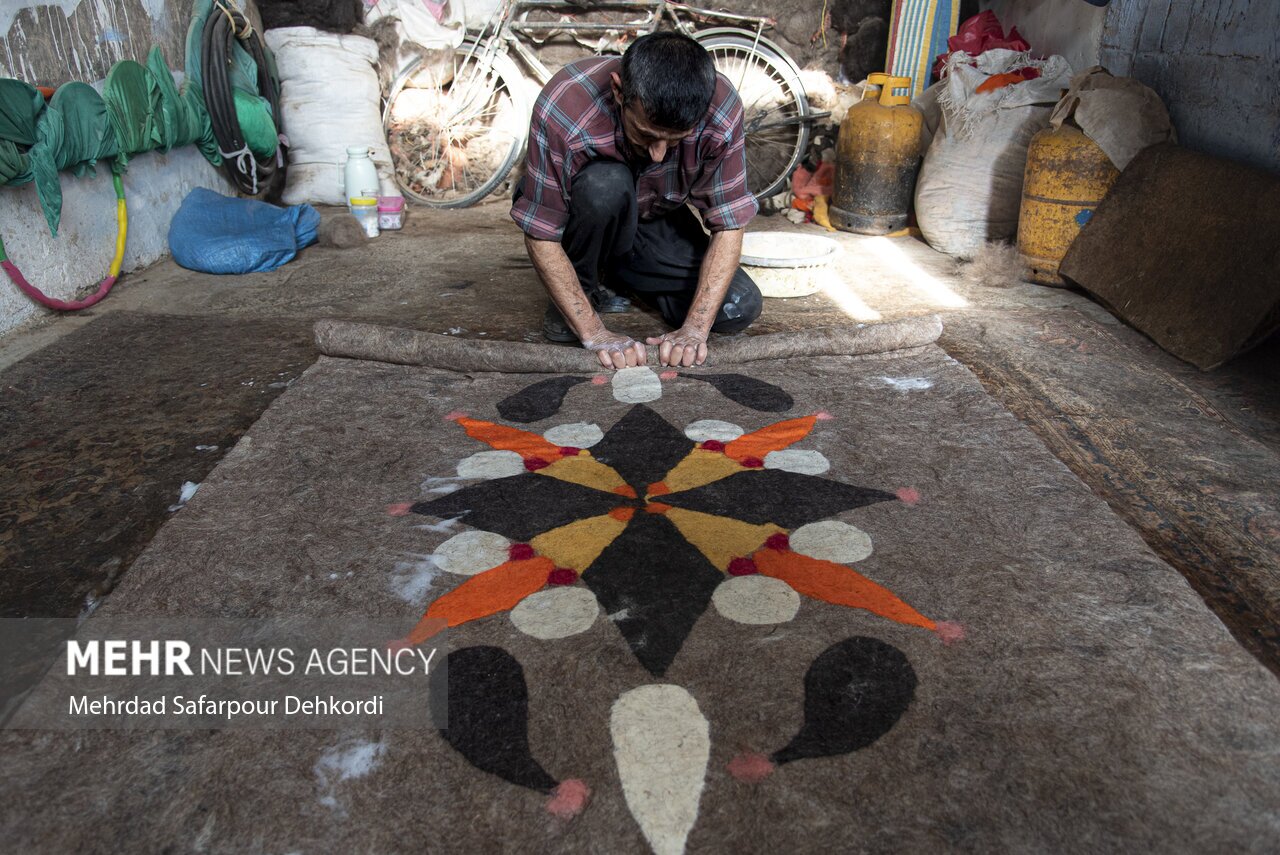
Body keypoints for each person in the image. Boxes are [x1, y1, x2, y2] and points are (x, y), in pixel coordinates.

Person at [511, 31, 763, 370]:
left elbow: (729, 224)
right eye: (646, 134)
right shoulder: (566, 106)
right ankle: (584, 288)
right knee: (605, 186)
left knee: (738, 306)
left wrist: (694, 329)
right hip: (583, 214)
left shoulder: (720, 108)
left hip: (654, 216)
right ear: (618, 91)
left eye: (676, 140)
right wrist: (594, 332)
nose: (659, 155)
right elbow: (541, 234)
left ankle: (619, 276)